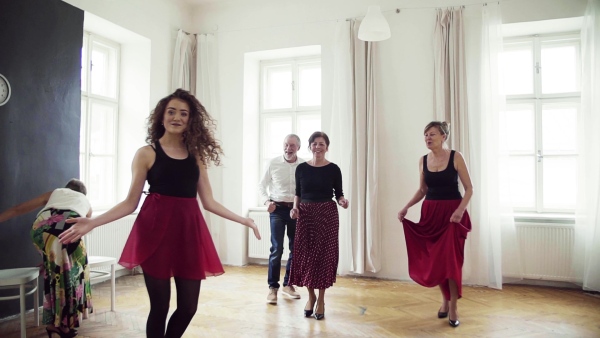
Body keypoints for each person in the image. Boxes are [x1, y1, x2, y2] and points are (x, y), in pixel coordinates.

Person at [58, 89, 261, 338]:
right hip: (154, 234)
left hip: (188, 234)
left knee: (188, 307)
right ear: (161, 117)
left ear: (191, 120)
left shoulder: (196, 157)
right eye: (171, 111)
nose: (177, 117)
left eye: (183, 113)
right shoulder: (147, 153)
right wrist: (93, 222)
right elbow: (130, 203)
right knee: (160, 307)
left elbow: (209, 202)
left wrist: (245, 220)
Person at [397, 121, 473, 328]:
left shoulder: (456, 157)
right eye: (425, 135)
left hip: (452, 216)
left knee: (452, 261)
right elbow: (422, 190)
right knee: (437, 260)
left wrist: (459, 211)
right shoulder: (422, 160)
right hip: (431, 213)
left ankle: (454, 306)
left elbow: (469, 189)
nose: (428, 138)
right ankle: (445, 300)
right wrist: (406, 207)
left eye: (432, 134)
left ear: (443, 136)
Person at [0, 179, 92, 338]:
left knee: (54, 273)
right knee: (76, 271)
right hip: (67, 227)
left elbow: (18, 209)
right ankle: (64, 324)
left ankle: (53, 325)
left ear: (66, 188)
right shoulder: (86, 203)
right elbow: (83, 227)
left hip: (40, 227)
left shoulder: (55, 193)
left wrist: (49, 257)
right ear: (83, 194)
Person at [289, 131, 349, 320]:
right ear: (310, 146)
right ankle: (311, 296)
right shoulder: (301, 169)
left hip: (327, 214)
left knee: (324, 257)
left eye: (321, 144)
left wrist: (342, 201)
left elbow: (338, 193)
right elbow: (298, 192)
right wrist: (294, 208)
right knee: (306, 256)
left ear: (327, 147)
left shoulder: (334, 169)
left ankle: (321, 299)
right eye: (314, 144)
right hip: (305, 214)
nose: (318, 147)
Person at [258, 134, 304, 304]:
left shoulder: (304, 165)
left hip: (295, 210)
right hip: (277, 210)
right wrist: (267, 201)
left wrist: (300, 207)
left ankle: (288, 285)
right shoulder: (273, 163)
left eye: (292, 145)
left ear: (298, 147)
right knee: (277, 249)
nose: (288, 148)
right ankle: (272, 288)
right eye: (286, 144)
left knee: (295, 249)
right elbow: (261, 185)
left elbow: (305, 189)